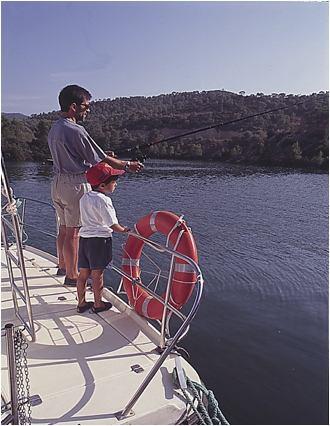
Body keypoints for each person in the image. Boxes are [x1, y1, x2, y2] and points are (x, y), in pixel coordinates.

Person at [48, 84, 143, 286]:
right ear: (74, 106)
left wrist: (104, 157)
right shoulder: (76, 130)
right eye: (85, 106)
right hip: (74, 184)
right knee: (74, 232)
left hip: (57, 183)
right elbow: (102, 160)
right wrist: (128, 165)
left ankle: (63, 265)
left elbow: (87, 155)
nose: (88, 110)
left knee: (64, 229)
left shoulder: (55, 128)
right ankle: (72, 276)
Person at [76, 162, 129, 313]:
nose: (116, 185)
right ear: (103, 185)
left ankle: (81, 303)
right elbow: (112, 224)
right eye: (114, 182)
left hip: (84, 239)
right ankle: (98, 304)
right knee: (97, 274)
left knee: (83, 273)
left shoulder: (84, 197)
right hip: (99, 241)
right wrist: (125, 230)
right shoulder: (104, 200)